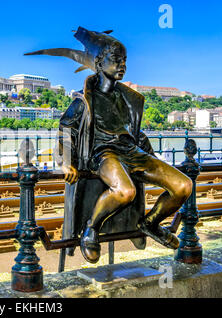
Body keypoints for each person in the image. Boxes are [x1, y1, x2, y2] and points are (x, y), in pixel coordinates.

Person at [26, 27, 192, 263]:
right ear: (99, 62)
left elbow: (133, 132)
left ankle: (151, 223)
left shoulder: (128, 99)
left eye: (124, 60)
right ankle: (91, 229)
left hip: (131, 152)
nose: (122, 64)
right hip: (103, 154)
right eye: (115, 59)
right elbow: (66, 129)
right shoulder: (84, 99)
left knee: (184, 185)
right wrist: (65, 163)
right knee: (125, 191)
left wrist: (151, 156)